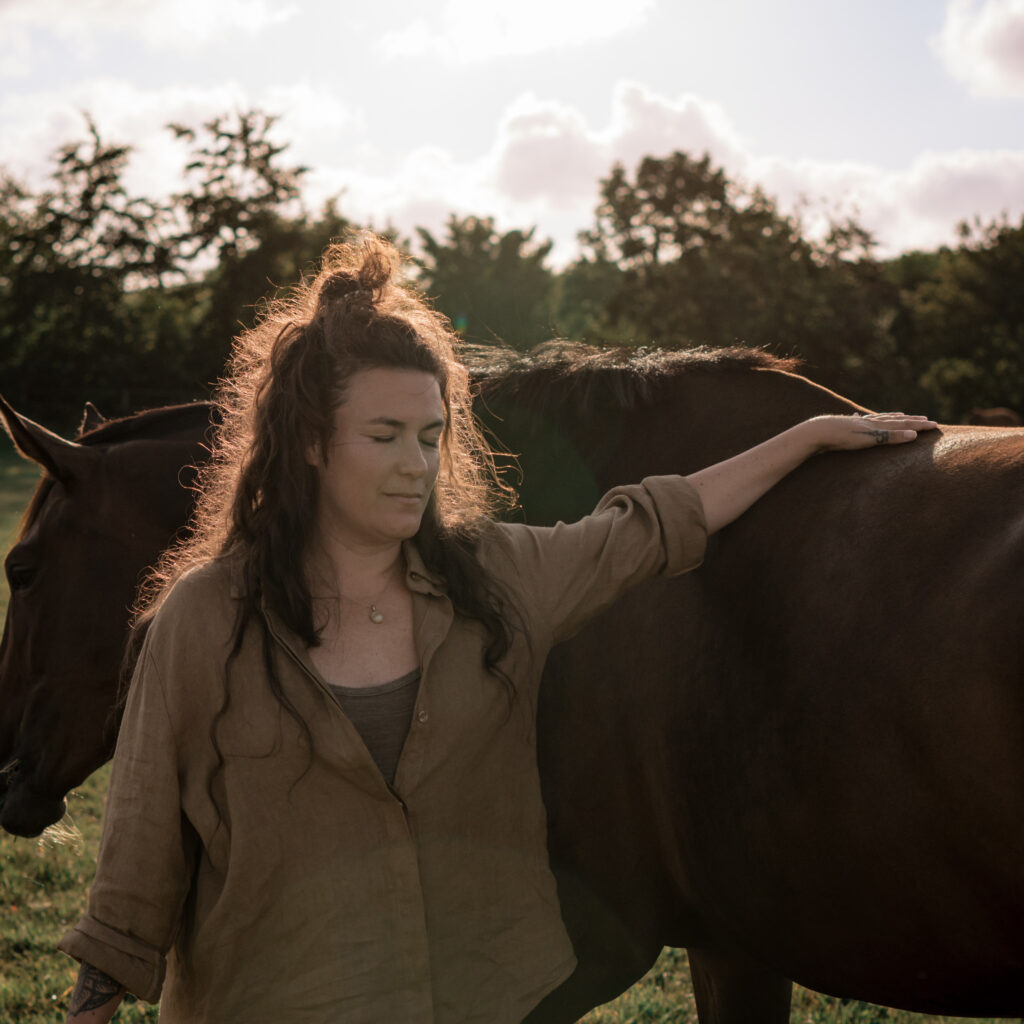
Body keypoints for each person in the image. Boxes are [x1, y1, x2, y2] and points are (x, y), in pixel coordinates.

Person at [58, 234, 936, 1024]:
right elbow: (137, 847)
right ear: (311, 444)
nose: (416, 465)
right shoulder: (205, 616)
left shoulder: (498, 579)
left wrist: (805, 438)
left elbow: (652, 523)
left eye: (431, 436)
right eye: (385, 435)